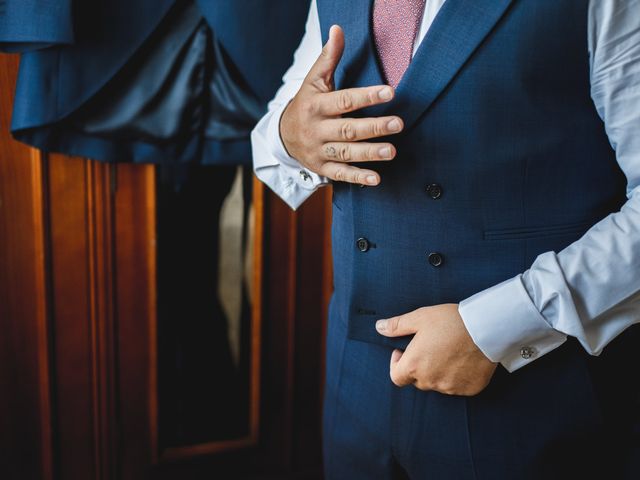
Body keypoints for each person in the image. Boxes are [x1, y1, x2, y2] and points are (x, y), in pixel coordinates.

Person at [252, 0, 640, 478]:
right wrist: (291, 136)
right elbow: (280, 127)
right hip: (354, 389)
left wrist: (499, 325)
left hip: (533, 399)